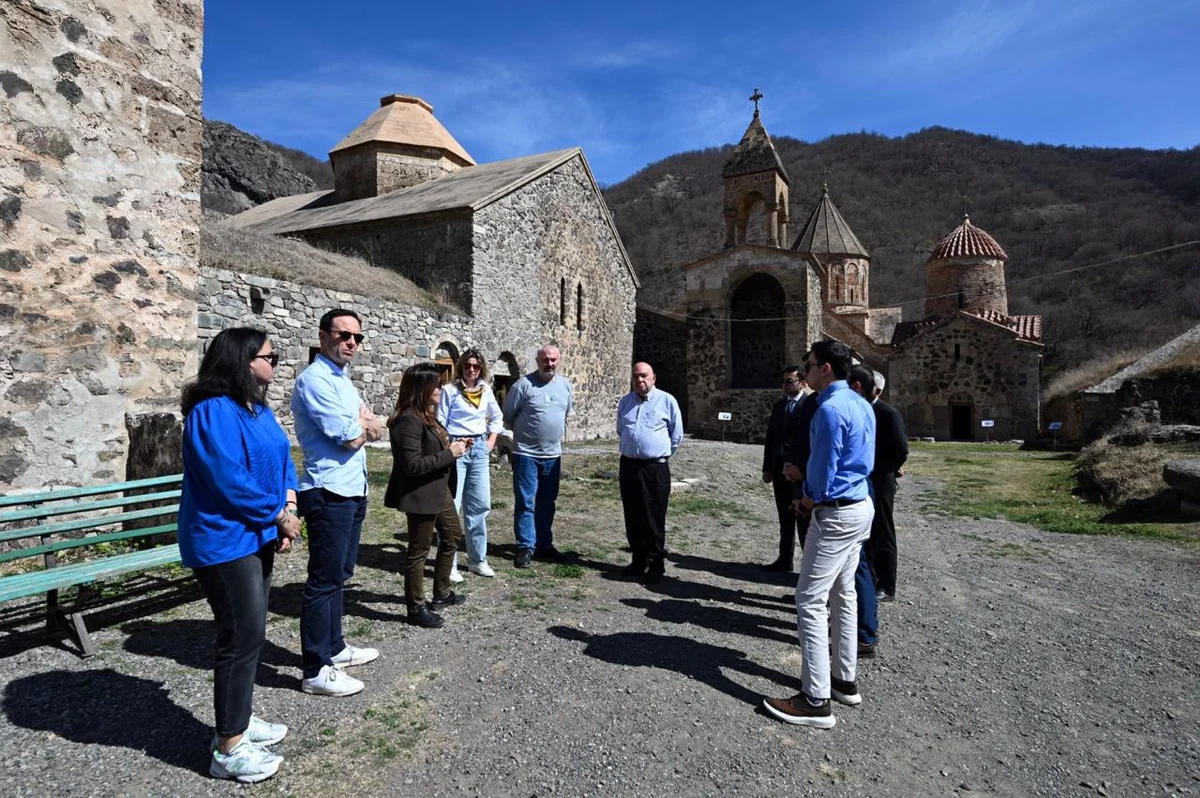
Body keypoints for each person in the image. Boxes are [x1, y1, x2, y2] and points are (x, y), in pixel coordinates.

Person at [179, 327, 300, 783]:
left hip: (257, 534)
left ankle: (240, 722)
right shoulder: (212, 412)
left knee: (251, 632)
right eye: (271, 356)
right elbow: (228, 479)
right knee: (240, 635)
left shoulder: (258, 408)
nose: (276, 363)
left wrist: (287, 505)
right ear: (243, 361)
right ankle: (227, 748)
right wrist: (276, 515)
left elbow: (283, 457)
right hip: (223, 541)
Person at [764, 341, 875, 729]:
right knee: (843, 594)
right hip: (860, 506)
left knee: (809, 599)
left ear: (825, 369)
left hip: (835, 512)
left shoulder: (828, 409)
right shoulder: (862, 403)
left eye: (809, 366)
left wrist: (806, 502)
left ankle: (815, 700)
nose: (806, 372)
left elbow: (825, 472)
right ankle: (844, 679)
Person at [292, 309, 383, 698]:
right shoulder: (314, 381)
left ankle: (335, 647)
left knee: (340, 574)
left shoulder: (342, 381)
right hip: (328, 491)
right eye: (343, 335)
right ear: (323, 336)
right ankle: (315, 667)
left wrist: (365, 426)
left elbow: (373, 424)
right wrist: (364, 426)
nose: (351, 343)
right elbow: (349, 436)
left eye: (357, 338)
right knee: (323, 579)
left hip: (352, 488)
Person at [385, 363, 471, 628]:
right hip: (421, 493)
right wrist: (450, 453)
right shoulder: (407, 419)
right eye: (436, 383)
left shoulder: (426, 415)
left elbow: (434, 449)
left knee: (453, 536)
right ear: (421, 387)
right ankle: (416, 607)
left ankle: (442, 593)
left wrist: (456, 446)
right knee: (419, 551)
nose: (440, 388)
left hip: (439, 488)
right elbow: (411, 465)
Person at [502, 344, 575, 568]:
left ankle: (545, 545)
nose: (549, 364)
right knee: (525, 502)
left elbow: (565, 414)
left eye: (553, 360)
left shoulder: (565, 386)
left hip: (553, 455)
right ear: (537, 361)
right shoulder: (523, 385)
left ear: (558, 361)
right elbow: (508, 415)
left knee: (547, 502)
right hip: (526, 454)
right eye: (545, 360)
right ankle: (525, 546)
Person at [438, 349, 505, 578]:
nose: (472, 370)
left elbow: (497, 418)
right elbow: (440, 421)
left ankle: (477, 560)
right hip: (457, 449)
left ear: (481, 368)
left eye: (476, 366)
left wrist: (490, 441)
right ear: (461, 367)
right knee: (452, 507)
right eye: (468, 366)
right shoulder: (449, 391)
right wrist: (450, 446)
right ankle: (450, 565)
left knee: (479, 506)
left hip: (478, 450)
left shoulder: (485, 390)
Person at [617, 362, 683, 584]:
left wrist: (657, 454)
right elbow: (621, 430)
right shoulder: (625, 402)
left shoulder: (667, 401)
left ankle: (656, 564)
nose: (640, 380)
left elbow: (676, 435)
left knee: (653, 517)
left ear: (654, 377)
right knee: (632, 515)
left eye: (644, 376)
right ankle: (638, 561)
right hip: (629, 466)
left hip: (655, 468)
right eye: (636, 377)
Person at [846, 366, 883, 660]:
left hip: (848, 499)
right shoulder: (865, 410)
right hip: (861, 493)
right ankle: (856, 633)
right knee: (852, 570)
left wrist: (808, 497)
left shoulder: (839, 410)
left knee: (856, 569)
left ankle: (863, 634)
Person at [761, 366, 811, 572]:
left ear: (802, 383)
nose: (785, 385)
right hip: (780, 469)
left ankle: (807, 565)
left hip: (799, 472)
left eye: (789, 381)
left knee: (803, 520)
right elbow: (771, 437)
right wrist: (768, 467)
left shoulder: (809, 406)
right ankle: (785, 558)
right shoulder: (780, 406)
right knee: (784, 516)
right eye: (783, 381)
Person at [866, 370, 908, 603]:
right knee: (869, 534)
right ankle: (870, 579)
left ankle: (887, 585)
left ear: (878, 391)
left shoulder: (887, 413)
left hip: (881, 480)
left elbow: (901, 449)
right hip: (867, 480)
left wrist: (888, 469)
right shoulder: (864, 410)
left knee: (883, 532)